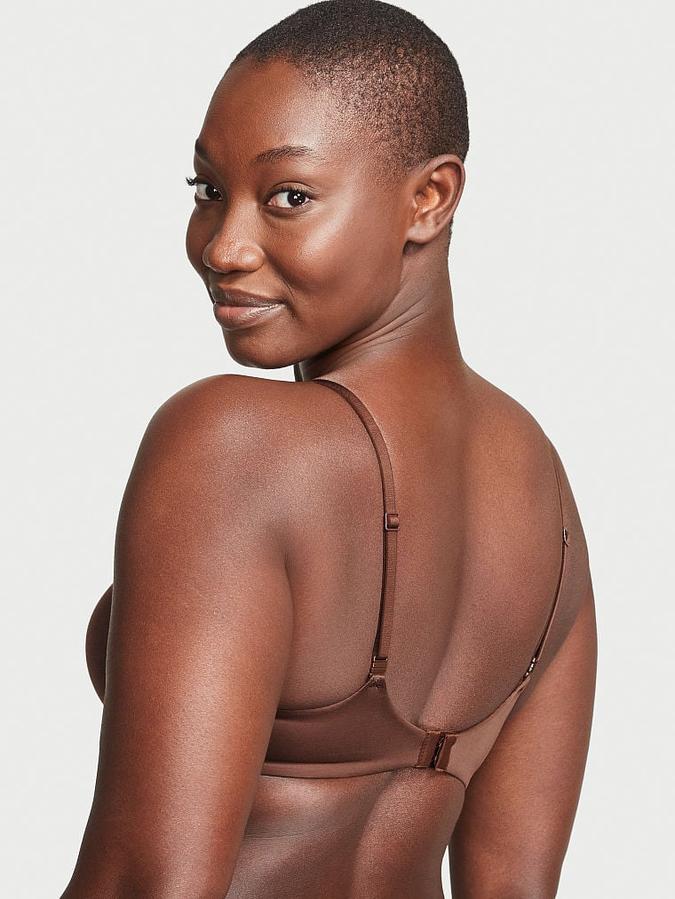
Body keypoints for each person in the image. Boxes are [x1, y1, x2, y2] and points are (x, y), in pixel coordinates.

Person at [61, 2, 597, 897]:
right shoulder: (542, 489)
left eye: (289, 197)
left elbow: (147, 882)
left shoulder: (231, 444)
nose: (223, 247)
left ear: (429, 199)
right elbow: (514, 885)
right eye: (207, 192)